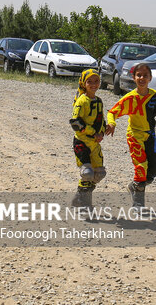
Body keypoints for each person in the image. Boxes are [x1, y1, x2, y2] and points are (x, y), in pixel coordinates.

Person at [106, 63, 156, 207]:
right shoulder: (130, 98)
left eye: (145, 75)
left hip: (149, 135)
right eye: (139, 75)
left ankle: (134, 185)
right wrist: (112, 124)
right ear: (134, 77)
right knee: (141, 167)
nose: (142, 78)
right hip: (134, 136)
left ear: (150, 78)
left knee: (154, 169)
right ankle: (138, 204)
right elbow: (112, 112)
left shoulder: (155, 96)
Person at [69, 69, 107, 207]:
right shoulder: (81, 101)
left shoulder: (99, 101)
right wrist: (92, 133)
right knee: (87, 173)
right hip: (82, 142)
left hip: (95, 144)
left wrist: (101, 133)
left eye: (96, 81)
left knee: (99, 174)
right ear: (84, 83)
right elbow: (75, 122)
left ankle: (80, 195)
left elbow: (101, 120)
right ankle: (85, 205)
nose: (93, 84)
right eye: (89, 81)